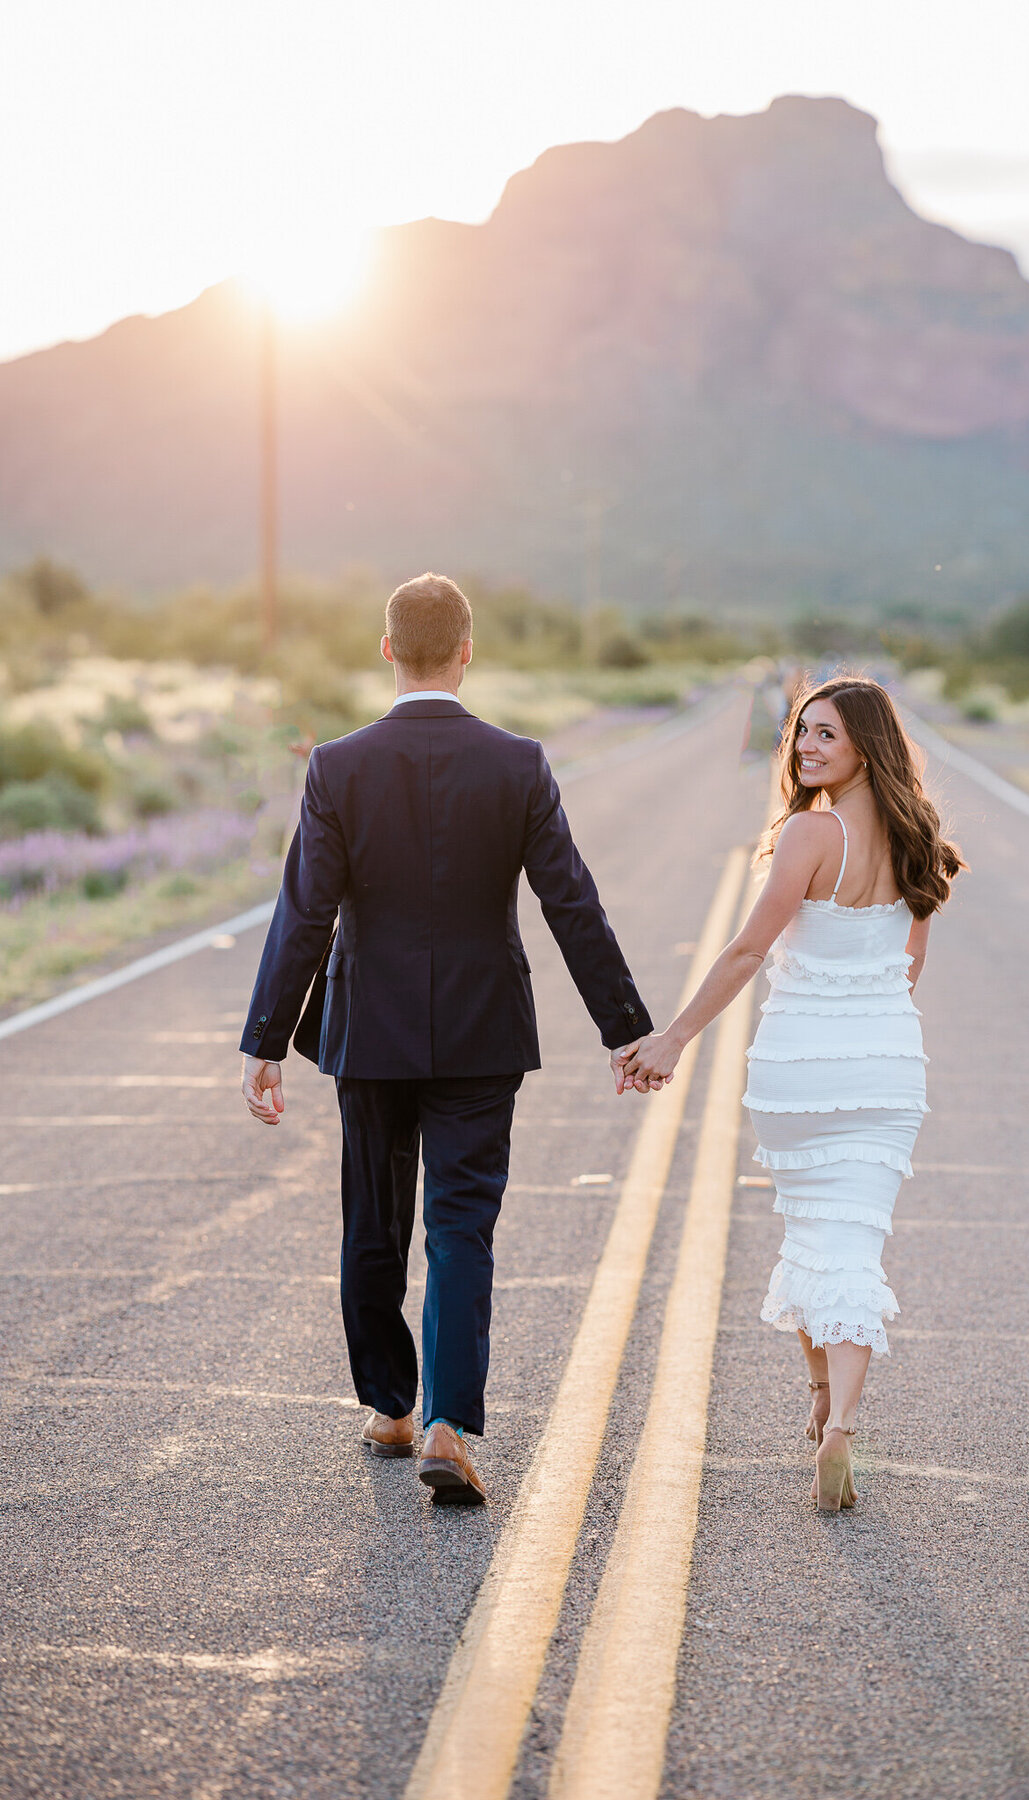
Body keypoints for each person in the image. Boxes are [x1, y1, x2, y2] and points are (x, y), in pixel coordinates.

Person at [239, 573, 653, 1504]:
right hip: (480, 1030)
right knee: (461, 1222)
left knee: (372, 1219)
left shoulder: (337, 766)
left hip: (368, 1029)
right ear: (467, 652)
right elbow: (569, 901)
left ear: (387, 649)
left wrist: (265, 1040)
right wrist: (623, 1028)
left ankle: (389, 1402)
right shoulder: (518, 763)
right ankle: (448, 1423)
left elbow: (303, 911)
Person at [617, 674, 964, 1513]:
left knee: (816, 1234)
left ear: (864, 748)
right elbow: (908, 970)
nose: (806, 747)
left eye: (827, 736)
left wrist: (672, 1038)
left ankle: (827, 1411)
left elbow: (745, 953)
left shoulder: (812, 833)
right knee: (850, 1237)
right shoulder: (918, 837)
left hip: (801, 1063)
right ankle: (835, 1413)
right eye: (801, 732)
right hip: (885, 1064)